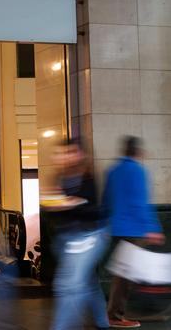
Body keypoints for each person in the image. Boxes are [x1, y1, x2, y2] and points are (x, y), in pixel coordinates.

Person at [41, 140, 110, 330]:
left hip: (89, 236)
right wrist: (56, 204)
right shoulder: (58, 178)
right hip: (66, 239)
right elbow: (51, 208)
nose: (66, 157)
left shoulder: (88, 178)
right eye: (62, 153)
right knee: (89, 282)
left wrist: (73, 204)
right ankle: (103, 323)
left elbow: (93, 210)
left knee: (69, 286)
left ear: (80, 155)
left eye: (71, 152)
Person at [103, 136, 164, 329]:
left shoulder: (113, 170)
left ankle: (121, 312)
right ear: (139, 152)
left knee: (125, 272)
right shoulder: (138, 170)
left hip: (116, 229)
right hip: (134, 230)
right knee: (125, 275)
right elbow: (141, 202)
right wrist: (153, 228)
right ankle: (115, 316)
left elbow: (106, 200)